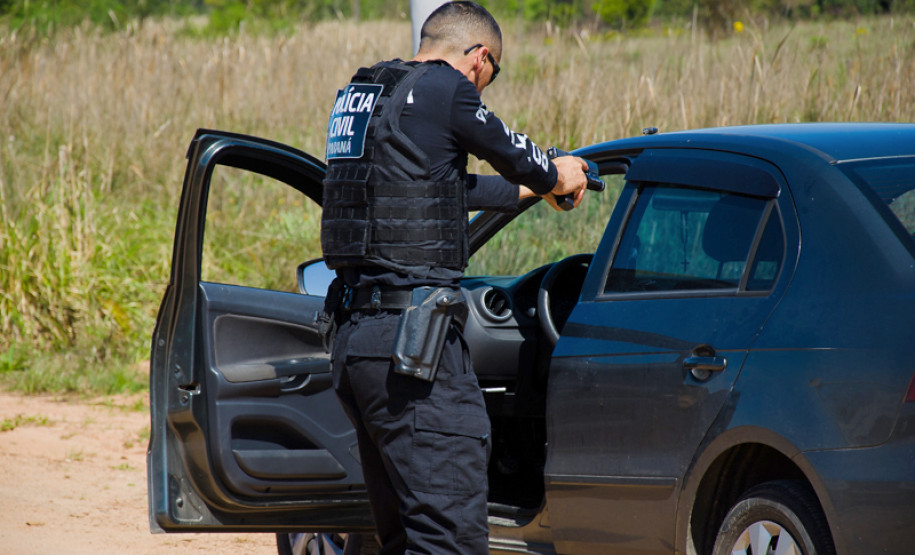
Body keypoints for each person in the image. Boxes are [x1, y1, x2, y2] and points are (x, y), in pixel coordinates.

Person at [320, 2, 589, 552]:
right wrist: (559, 175)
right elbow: (526, 160)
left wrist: (536, 192)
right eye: (492, 76)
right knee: (448, 537)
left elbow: (441, 188)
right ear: (479, 58)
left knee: (399, 536)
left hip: (356, 340)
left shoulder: (365, 92)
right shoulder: (448, 88)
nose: (485, 90)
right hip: (413, 350)